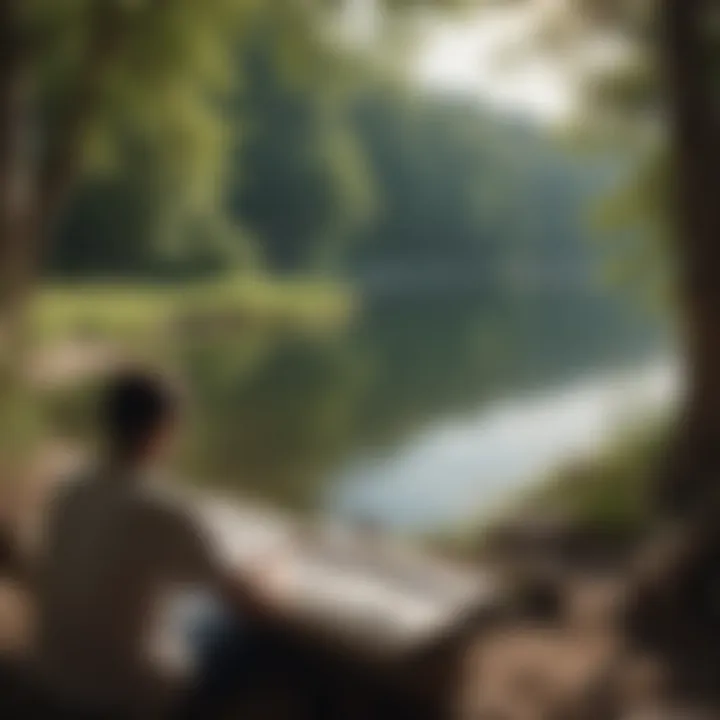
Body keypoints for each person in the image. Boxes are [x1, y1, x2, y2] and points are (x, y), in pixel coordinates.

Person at [35, 369, 285, 718]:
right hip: (124, 690)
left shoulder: (72, 489)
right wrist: (273, 563)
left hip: (55, 670)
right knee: (238, 633)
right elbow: (252, 602)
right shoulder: (162, 507)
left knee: (182, 604)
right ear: (164, 431)